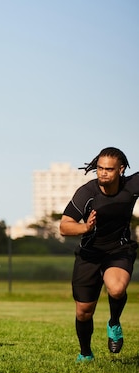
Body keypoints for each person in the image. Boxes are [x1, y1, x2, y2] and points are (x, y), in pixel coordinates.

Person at [59, 147, 138, 362]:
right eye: (100, 168)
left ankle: (114, 323)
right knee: (84, 311)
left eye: (108, 169)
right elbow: (64, 227)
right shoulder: (87, 193)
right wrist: (85, 228)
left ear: (121, 170)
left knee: (117, 288)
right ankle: (85, 353)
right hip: (89, 254)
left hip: (118, 250)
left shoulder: (131, 186)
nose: (103, 173)